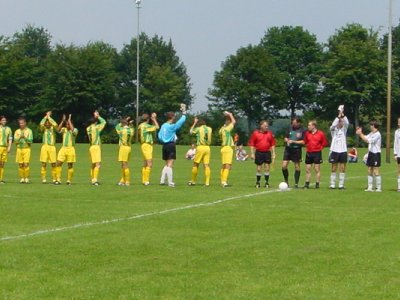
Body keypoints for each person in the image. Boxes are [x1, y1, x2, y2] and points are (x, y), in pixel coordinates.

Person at [158, 104, 187, 187]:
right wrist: (184, 113)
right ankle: (170, 182)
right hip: (171, 145)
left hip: (164, 145)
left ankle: (162, 180)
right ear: (172, 117)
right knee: (170, 163)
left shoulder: (163, 125)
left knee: (166, 163)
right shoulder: (171, 126)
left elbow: (159, 136)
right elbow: (181, 122)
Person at [249, 120, 276, 188]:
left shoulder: (269, 134)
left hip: (267, 152)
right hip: (259, 152)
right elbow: (252, 144)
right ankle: (258, 182)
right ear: (261, 126)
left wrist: (273, 153)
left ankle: (267, 182)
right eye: (265, 126)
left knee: (267, 168)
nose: (267, 127)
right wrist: (252, 153)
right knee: (259, 168)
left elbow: (272, 144)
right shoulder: (255, 133)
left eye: (267, 126)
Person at [356, 121, 382, 192]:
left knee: (376, 169)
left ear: (374, 126)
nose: (370, 126)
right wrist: (360, 133)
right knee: (370, 169)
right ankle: (370, 187)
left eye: (371, 125)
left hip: (376, 153)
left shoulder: (377, 134)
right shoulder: (372, 133)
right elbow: (365, 137)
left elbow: (368, 141)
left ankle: (378, 188)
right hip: (371, 153)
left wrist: (360, 133)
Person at [328, 106, 349, 189]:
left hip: (343, 150)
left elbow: (347, 122)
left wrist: (342, 114)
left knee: (342, 168)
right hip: (334, 150)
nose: (340, 123)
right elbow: (333, 125)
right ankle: (332, 184)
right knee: (334, 167)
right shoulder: (333, 129)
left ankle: (341, 185)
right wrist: (338, 116)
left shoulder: (344, 129)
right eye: (339, 122)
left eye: (341, 122)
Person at [303, 120, 328, 189]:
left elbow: (324, 143)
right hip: (309, 153)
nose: (308, 127)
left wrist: (319, 148)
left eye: (309, 125)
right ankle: (307, 184)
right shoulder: (307, 133)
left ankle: (317, 184)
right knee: (307, 169)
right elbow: (305, 141)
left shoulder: (320, 133)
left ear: (313, 126)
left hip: (317, 153)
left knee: (317, 169)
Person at [188, 117, 212, 186]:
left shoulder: (199, 128)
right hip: (207, 148)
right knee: (206, 165)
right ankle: (207, 182)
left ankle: (193, 181)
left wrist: (194, 122)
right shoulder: (210, 128)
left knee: (196, 164)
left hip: (200, 147)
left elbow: (190, 131)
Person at [282, 117, 305, 188]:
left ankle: (296, 184)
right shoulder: (289, 128)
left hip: (297, 150)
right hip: (288, 149)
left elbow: (303, 141)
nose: (293, 124)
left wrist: (294, 142)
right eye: (292, 123)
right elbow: (285, 137)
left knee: (297, 167)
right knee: (284, 166)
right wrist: (287, 140)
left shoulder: (303, 130)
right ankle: (286, 181)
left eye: (294, 123)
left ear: (299, 123)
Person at [56, 114, 78, 185]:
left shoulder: (75, 130)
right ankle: (58, 180)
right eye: (67, 124)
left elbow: (73, 131)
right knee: (58, 163)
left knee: (70, 165)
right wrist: (62, 121)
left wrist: (69, 120)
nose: (67, 126)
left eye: (68, 124)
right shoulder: (64, 129)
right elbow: (58, 129)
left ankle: (69, 181)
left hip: (71, 149)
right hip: (63, 148)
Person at [138, 113, 159, 186]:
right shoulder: (146, 126)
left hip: (143, 144)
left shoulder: (140, 125)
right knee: (150, 163)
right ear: (148, 119)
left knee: (145, 163)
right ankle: (146, 181)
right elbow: (157, 127)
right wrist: (154, 119)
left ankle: (144, 180)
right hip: (147, 145)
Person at [86, 110, 106, 185]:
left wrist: (95, 117)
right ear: (95, 122)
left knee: (93, 164)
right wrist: (98, 116)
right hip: (96, 147)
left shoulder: (88, 128)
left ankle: (92, 179)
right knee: (98, 164)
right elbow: (104, 122)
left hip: (91, 147)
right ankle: (95, 180)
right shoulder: (97, 128)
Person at [39, 111, 58, 184]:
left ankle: (54, 179)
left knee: (53, 163)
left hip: (52, 147)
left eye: (48, 123)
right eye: (46, 123)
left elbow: (55, 124)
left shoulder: (53, 129)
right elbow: (41, 124)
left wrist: (49, 117)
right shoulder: (44, 129)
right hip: (45, 147)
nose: (47, 124)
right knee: (44, 163)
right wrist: (45, 116)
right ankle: (43, 179)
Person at [115, 117, 134, 186]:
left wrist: (124, 121)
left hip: (123, 147)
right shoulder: (131, 130)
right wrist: (128, 123)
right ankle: (123, 180)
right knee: (124, 164)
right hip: (129, 147)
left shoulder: (121, 130)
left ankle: (127, 181)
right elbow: (131, 127)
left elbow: (117, 126)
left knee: (124, 164)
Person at [219, 111, 236, 187]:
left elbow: (220, 132)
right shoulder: (227, 129)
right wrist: (230, 114)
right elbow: (234, 121)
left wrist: (225, 123)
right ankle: (224, 182)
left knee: (223, 165)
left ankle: (222, 180)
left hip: (223, 148)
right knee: (228, 166)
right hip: (228, 148)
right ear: (228, 122)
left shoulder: (222, 129)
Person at [14, 117, 33, 183]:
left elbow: (31, 141)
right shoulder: (17, 131)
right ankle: (22, 178)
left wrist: (25, 137)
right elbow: (15, 141)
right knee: (20, 164)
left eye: (22, 123)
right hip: (19, 149)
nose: (21, 124)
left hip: (26, 149)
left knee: (26, 164)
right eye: (20, 123)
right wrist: (19, 138)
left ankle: (26, 178)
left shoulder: (29, 131)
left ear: (25, 123)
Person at [0, 116, 12, 183]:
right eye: (3, 120)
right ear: (0, 121)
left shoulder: (8, 129)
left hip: (4, 148)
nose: (4, 121)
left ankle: (1, 179)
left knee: (2, 164)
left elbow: (10, 138)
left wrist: (9, 147)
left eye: (5, 120)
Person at [394, 117, 400, 192]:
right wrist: (395, 153)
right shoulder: (397, 132)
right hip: (399, 154)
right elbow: (395, 143)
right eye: (398, 121)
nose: (398, 123)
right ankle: (399, 186)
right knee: (399, 169)